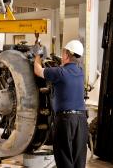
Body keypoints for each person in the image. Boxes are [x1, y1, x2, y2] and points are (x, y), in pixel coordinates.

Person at [34, 40, 88, 168]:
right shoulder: (80, 73)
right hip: (81, 120)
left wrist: (37, 54)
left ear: (67, 55)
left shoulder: (59, 72)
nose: (62, 54)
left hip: (65, 121)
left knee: (64, 159)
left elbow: (37, 70)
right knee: (79, 161)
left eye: (63, 52)